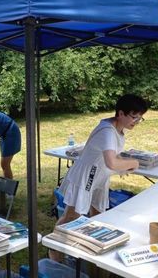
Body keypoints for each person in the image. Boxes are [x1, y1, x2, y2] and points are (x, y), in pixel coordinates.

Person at [56, 94, 148, 224]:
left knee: (99, 215)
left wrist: (123, 166)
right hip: (86, 176)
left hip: (100, 176)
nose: (137, 121)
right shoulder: (107, 131)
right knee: (71, 217)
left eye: (140, 118)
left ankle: (94, 240)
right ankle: (52, 242)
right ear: (121, 113)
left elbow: (113, 156)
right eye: (134, 117)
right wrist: (134, 163)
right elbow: (111, 162)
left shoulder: (118, 129)